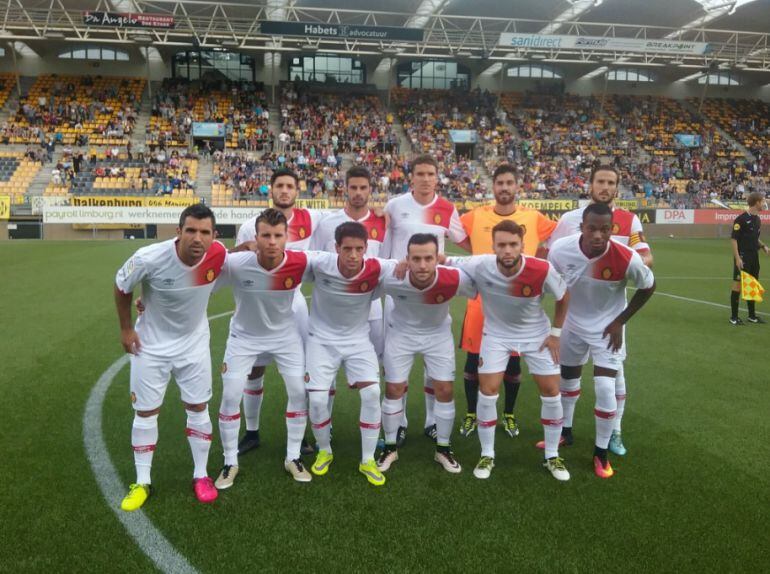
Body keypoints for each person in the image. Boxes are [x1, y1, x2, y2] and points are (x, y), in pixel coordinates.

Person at [114, 204, 226, 511]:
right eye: (191, 230)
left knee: (198, 407)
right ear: (178, 232)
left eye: (204, 232)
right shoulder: (149, 257)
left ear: (214, 236)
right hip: (150, 347)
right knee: (146, 412)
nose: (197, 238)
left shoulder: (219, 254)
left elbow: (241, 257)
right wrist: (126, 329)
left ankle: (201, 475)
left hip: (194, 346)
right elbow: (122, 286)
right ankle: (142, 482)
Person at [444, 220, 571, 481]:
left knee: (551, 392)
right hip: (497, 335)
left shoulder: (541, 269)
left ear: (523, 246)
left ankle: (552, 456)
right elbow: (446, 260)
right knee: (488, 391)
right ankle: (487, 454)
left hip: (536, 335)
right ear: (493, 247)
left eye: (513, 244)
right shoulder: (481, 264)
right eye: (501, 245)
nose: (507, 250)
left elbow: (564, 296)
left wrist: (556, 334)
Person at [545, 164, 652, 456]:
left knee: (613, 380)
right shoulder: (568, 220)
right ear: (590, 184)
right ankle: (566, 431)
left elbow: (645, 258)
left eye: (611, 183)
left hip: (611, 314)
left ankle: (613, 433)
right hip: (575, 316)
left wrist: (624, 264)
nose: (605, 187)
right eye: (600, 182)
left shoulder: (629, 220)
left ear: (617, 187)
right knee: (569, 375)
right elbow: (555, 259)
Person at [215, 209, 314, 487]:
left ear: (287, 238)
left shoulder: (301, 261)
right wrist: (148, 303)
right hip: (244, 338)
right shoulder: (236, 263)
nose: (272, 241)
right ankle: (230, 462)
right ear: (255, 237)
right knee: (230, 396)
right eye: (266, 235)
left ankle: (293, 457)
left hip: (285, 337)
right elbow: (202, 277)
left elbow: (340, 266)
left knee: (298, 392)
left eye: (278, 235)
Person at [458, 164, 557, 440]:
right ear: (493, 187)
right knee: (473, 363)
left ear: (517, 186)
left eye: (509, 183)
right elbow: (448, 229)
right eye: (499, 183)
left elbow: (560, 235)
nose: (504, 187)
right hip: (480, 304)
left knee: (513, 365)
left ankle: (509, 414)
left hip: (517, 306)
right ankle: (471, 413)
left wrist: (540, 255)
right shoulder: (475, 216)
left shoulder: (534, 218)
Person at [235, 168, 327, 456]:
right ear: (271, 189)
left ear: (297, 191)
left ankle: (301, 436)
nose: (284, 190)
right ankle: (251, 432)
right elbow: (234, 264)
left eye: (290, 186)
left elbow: (346, 217)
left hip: (294, 302)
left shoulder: (312, 218)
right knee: (254, 369)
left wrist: (382, 213)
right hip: (258, 304)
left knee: (300, 372)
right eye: (279, 186)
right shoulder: (251, 225)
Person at [383, 154, 470, 446]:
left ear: (437, 177)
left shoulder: (447, 208)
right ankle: (400, 422)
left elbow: (464, 241)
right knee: (397, 368)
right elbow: (384, 246)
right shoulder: (395, 206)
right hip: (400, 292)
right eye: (420, 173)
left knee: (435, 370)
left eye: (430, 174)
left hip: (433, 292)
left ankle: (432, 421)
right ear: (412, 177)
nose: (425, 179)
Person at [305, 222, 396, 486]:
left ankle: (367, 459)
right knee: (318, 400)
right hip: (321, 341)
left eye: (359, 249)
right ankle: (324, 450)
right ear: (336, 248)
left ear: (366, 248)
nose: (353, 255)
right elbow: (285, 257)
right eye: (347, 249)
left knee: (372, 393)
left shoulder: (377, 267)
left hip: (358, 341)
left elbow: (406, 265)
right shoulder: (319, 263)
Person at [377, 233, 476, 474]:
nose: (422, 265)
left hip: (437, 336)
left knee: (445, 389)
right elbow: (363, 269)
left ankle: (443, 448)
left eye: (428, 258)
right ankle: (389, 447)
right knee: (393, 389)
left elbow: (481, 276)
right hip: (401, 334)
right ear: (407, 259)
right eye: (416, 259)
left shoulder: (454, 278)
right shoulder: (392, 274)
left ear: (437, 258)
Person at [730, 191, 769, 325]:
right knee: (737, 286)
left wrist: (763, 247)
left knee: (751, 285)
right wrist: (737, 258)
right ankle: (733, 317)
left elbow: (754, 238)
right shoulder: (741, 219)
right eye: (762, 201)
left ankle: (752, 316)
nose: (764, 204)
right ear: (757, 202)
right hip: (743, 256)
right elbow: (734, 239)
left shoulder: (757, 219)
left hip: (754, 257)